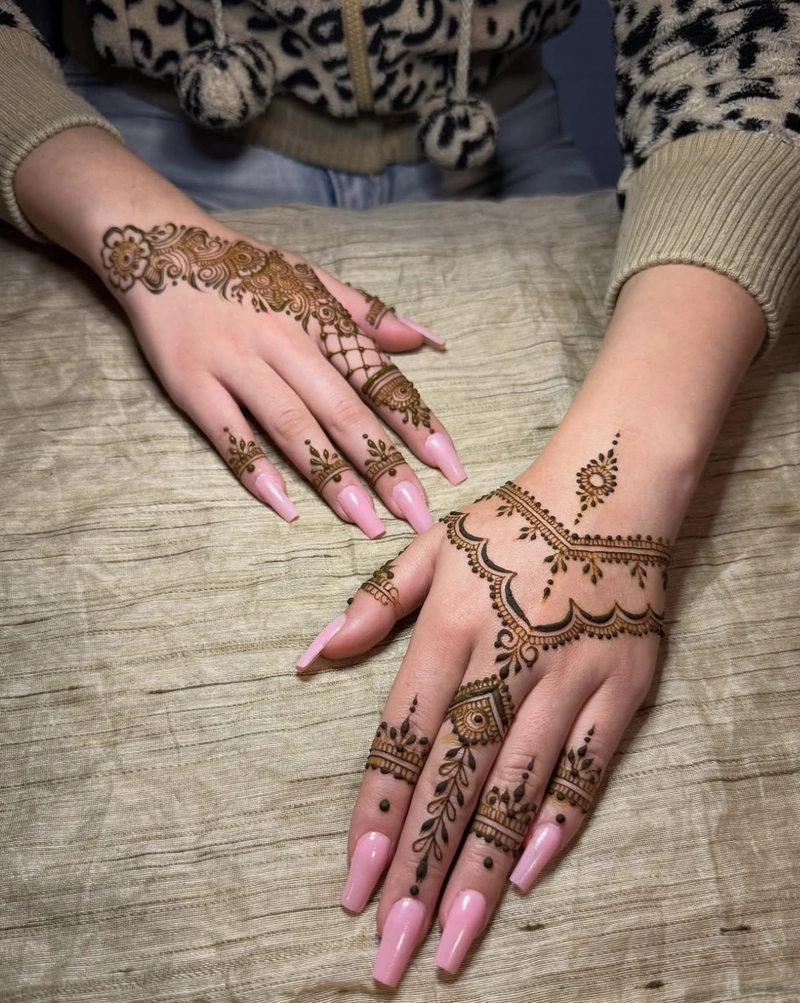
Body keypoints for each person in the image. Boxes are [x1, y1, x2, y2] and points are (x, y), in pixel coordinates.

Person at [2, 0, 799, 989]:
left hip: (505, 140)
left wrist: (631, 473)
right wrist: (146, 234)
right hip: (129, 147)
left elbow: (744, 46)